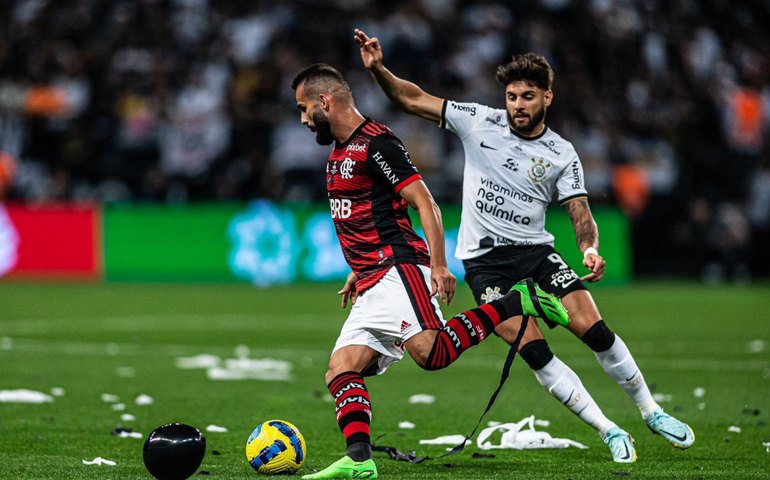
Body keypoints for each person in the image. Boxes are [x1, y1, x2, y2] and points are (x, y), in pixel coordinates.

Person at [354, 28, 695, 463]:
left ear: (547, 98)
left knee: (597, 331)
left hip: (535, 253)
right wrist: (379, 69)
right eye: (512, 96)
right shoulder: (479, 120)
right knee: (535, 351)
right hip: (485, 265)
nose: (517, 105)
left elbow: (579, 212)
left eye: (528, 96)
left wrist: (588, 248)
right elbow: (413, 99)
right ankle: (608, 429)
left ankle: (651, 410)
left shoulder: (561, 153)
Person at [292, 63, 569, 479]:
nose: (301, 118)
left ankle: (518, 300)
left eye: (303, 107)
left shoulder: (378, 144)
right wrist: (357, 269)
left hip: (399, 269)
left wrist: (438, 265)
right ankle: (360, 460)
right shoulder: (338, 153)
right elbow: (363, 218)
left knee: (431, 353)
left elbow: (426, 204)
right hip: (371, 278)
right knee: (341, 369)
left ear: (324, 102)